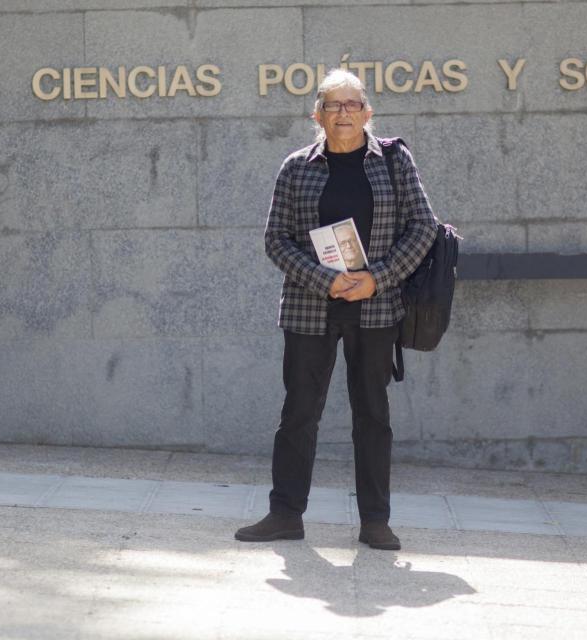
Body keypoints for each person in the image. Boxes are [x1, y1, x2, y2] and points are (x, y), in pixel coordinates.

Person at [234, 68, 437, 550]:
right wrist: (325, 280)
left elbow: (423, 227)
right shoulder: (296, 167)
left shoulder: (393, 162)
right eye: (333, 105)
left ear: (367, 112)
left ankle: (374, 521)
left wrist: (376, 279)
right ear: (317, 115)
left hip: (376, 309)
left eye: (352, 105)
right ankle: (285, 514)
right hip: (310, 309)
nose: (343, 114)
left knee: (373, 414)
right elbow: (276, 241)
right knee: (299, 413)